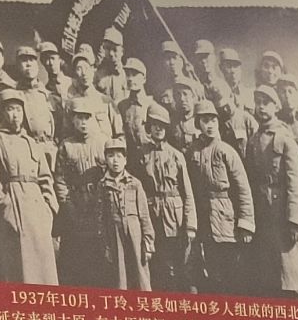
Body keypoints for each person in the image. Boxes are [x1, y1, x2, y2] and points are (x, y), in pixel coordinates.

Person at [246, 83, 298, 299]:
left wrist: (295, 219)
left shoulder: (285, 138)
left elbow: (297, 181)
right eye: (258, 103)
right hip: (266, 213)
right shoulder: (253, 141)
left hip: (285, 213)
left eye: (266, 103)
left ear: (276, 107)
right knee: (276, 277)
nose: (261, 107)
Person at [0, 92, 59, 286]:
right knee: (19, 269)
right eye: (10, 109)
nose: (15, 115)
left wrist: (49, 207)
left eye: (18, 110)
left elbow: (45, 177)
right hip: (14, 207)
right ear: (2, 112)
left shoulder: (32, 142)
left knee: (44, 269)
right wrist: (6, 206)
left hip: (38, 211)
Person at [188, 102, 254, 292]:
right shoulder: (192, 151)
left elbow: (243, 188)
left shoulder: (226, 150)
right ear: (198, 123)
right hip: (204, 218)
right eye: (205, 121)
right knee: (211, 268)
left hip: (226, 219)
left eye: (213, 120)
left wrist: (246, 223)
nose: (209, 125)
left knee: (231, 269)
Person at [51, 99, 108, 288]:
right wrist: (66, 203)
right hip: (75, 202)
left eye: (86, 118)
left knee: (98, 249)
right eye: (79, 118)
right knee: (75, 250)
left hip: (98, 201)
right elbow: (60, 178)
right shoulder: (66, 146)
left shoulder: (103, 142)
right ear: (73, 120)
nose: (83, 122)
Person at [139, 105, 195, 294]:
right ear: (149, 127)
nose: (158, 129)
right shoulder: (141, 155)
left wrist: (190, 224)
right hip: (152, 215)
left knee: (178, 266)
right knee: (158, 266)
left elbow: (187, 192)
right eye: (154, 124)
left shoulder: (176, 155)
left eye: (162, 125)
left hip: (174, 217)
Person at [92, 139, 153, 291]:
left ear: (125, 160)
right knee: (120, 277)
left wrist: (148, 242)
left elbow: (145, 216)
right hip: (115, 236)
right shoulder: (102, 185)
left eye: (119, 156)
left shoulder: (135, 183)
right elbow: (100, 219)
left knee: (141, 275)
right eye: (111, 156)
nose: (115, 161)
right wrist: (105, 245)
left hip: (136, 236)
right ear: (106, 159)